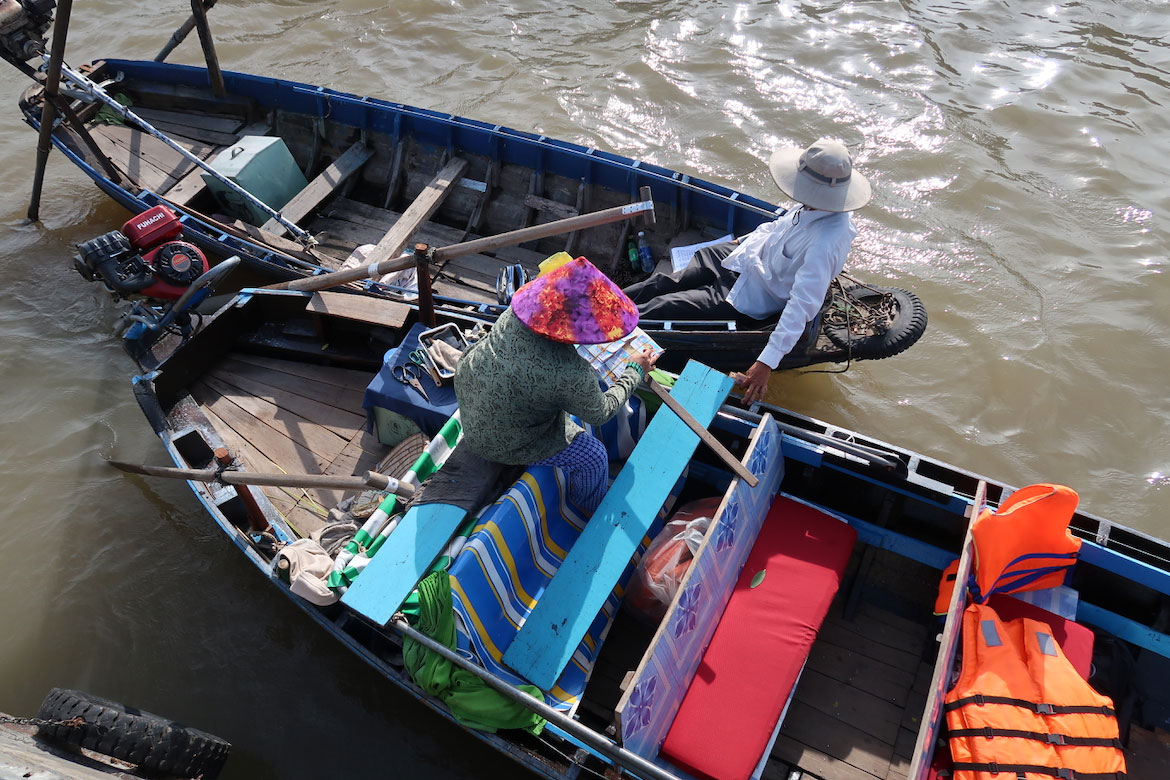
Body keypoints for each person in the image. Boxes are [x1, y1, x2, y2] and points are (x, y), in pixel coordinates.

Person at [624, 137, 871, 405]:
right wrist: (739, 242)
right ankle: (603, 299)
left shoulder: (826, 241)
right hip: (743, 258)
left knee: (665, 306)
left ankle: (612, 328)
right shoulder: (813, 206)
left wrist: (765, 363)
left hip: (751, 294)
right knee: (664, 281)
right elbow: (775, 228)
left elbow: (802, 304)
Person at [454, 256, 658, 516]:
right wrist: (635, 370)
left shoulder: (515, 314)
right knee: (593, 456)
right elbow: (600, 413)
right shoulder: (572, 374)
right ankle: (587, 508)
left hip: (473, 398)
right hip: (497, 440)